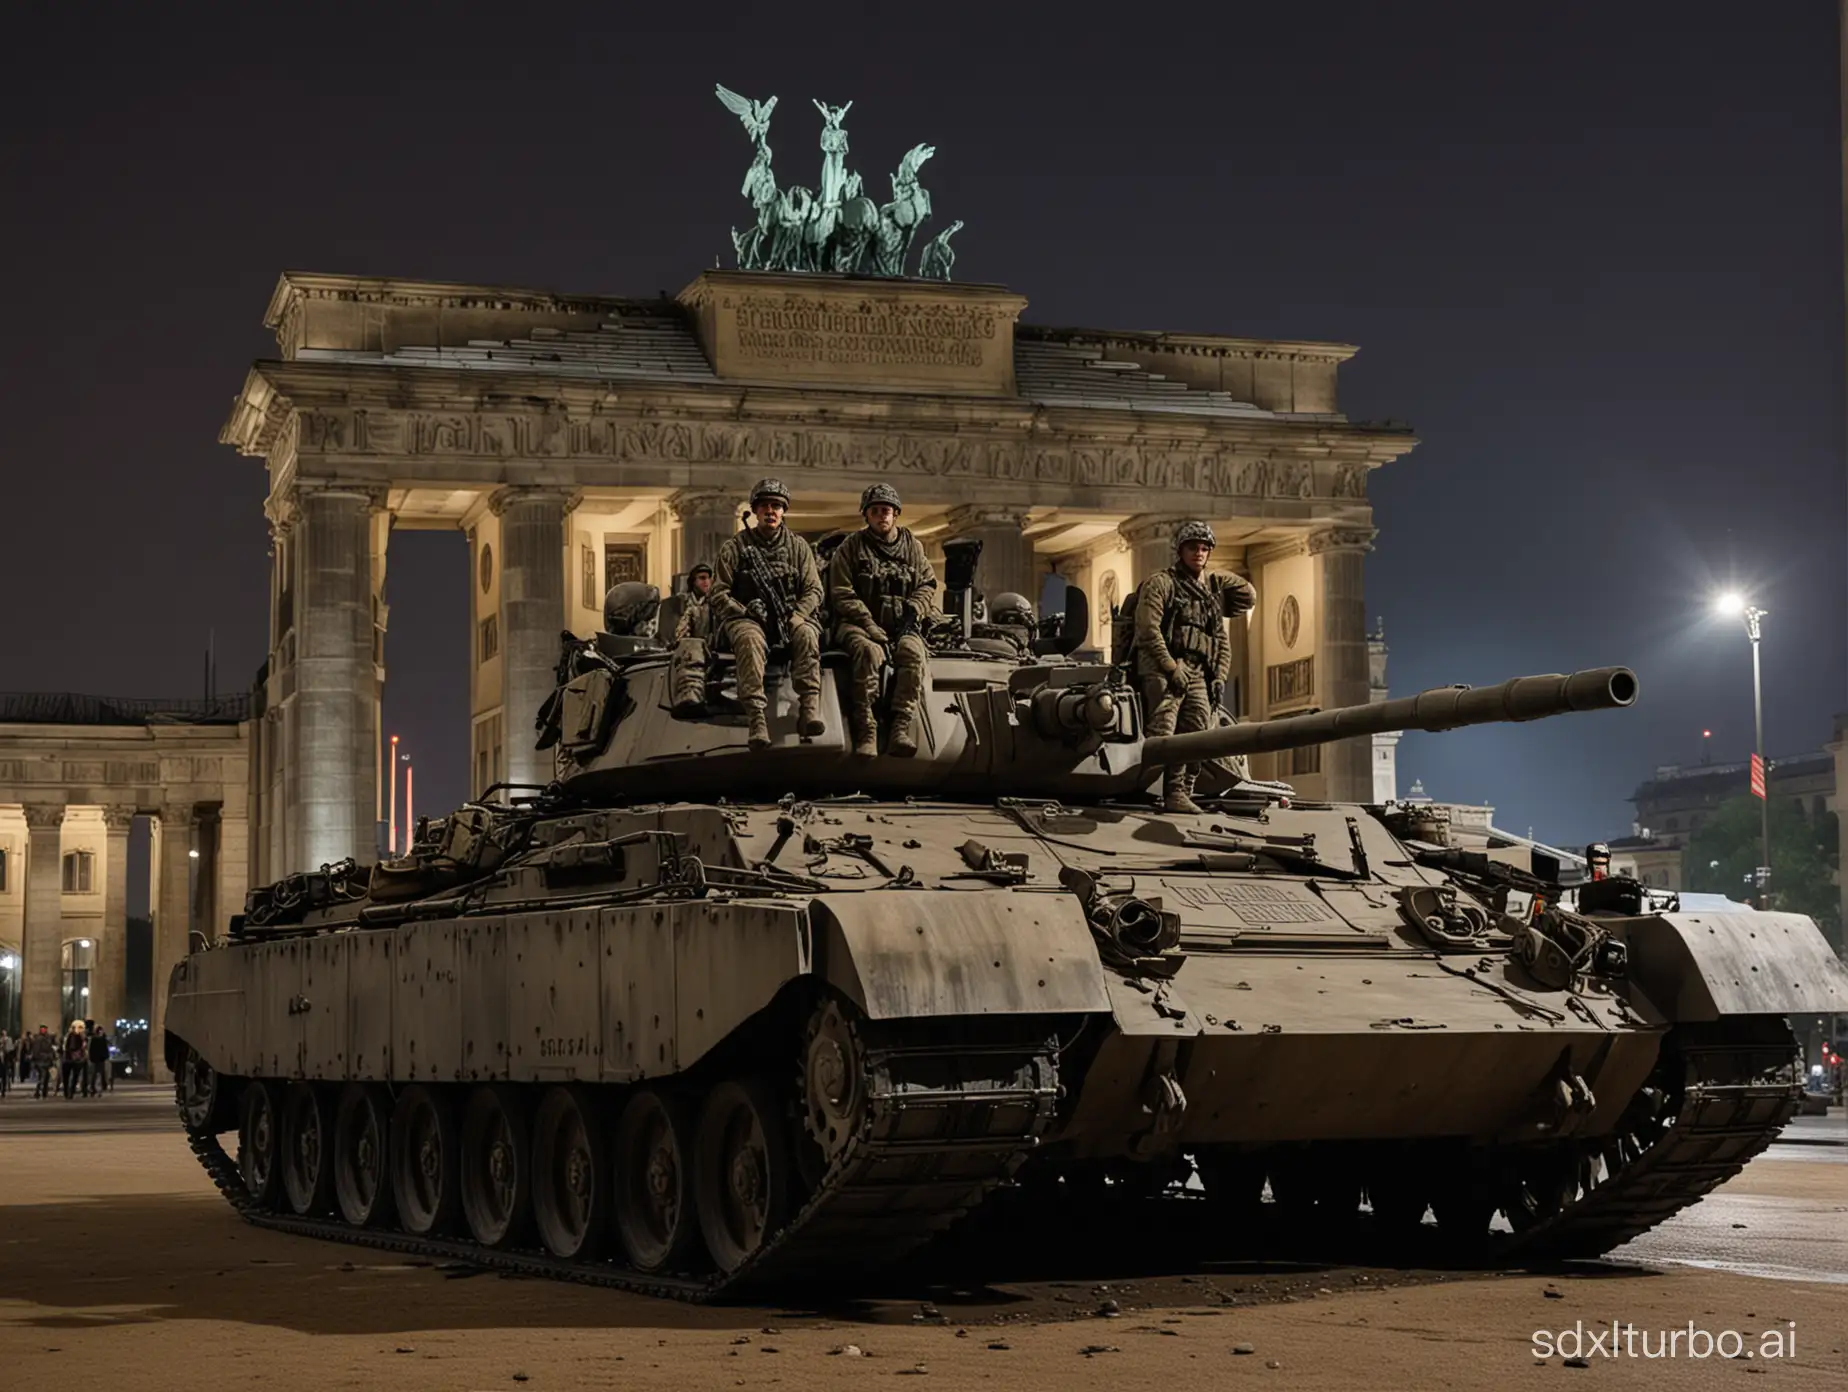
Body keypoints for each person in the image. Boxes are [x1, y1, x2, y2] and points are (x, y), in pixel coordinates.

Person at [1132, 520, 1256, 813]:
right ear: (1180, 550)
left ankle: (1180, 791)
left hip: (1200, 670)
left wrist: (1219, 676)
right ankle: (1141, 788)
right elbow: (1148, 628)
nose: (1198, 553)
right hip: (1165, 666)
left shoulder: (1211, 592)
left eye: (1204, 548)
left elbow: (1222, 637)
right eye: (1192, 548)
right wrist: (1169, 665)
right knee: (1163, 731)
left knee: (1198, 731)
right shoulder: (1161, 583)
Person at [710, 478, 826, 750]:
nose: (770, 511)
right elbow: (718, 593)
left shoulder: (798, 547)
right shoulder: (735, 547)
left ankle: (809, 708)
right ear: (756, 510)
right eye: (765, 506)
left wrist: (798, 615)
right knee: (749, 642)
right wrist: (745, 610)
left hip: (790, 617)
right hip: (748, 620)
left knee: (808, 635)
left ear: (783, 511)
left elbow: (814, 590)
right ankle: (756, 719)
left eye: (776, 506)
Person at [827, 484, 938, 757]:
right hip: (857, 625)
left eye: (886, 511)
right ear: (866, 515)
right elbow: (841, 592)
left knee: (913, 653)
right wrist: (868, 624)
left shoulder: (913, 547)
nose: (881, 516)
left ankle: (901, 726)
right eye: (875, 511)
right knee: (869, 653)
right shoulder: (851, 547)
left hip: (902, 625)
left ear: (896, 513)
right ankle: (866, 727)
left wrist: (914, 610)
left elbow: (927, 583)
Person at [670, 562, 717, 717]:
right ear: (693, 582)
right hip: (689, 652)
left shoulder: (715, 603)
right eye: (702, 578)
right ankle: (690, 695)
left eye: (709, 578)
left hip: (710, 651)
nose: (706, 582)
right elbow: (678, 634)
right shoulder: (681, 603)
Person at [30, 1025, 56, 1099]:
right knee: (43, 1076)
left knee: (45, 1077)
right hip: (41, 1061)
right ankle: (39, 1091)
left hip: (46, 1061)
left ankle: (43, 1092)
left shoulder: (46, 1039)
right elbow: (36, 1052)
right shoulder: (39, 1039)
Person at [62, 1021, 86, 1100]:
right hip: (71, 1059)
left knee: (71, 1077)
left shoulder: (76, 1037)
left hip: (71, 1059)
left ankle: (69, 1092)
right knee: (70, 1077)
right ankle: (69, 1092)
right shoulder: (71, 1037)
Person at [86, 1021, 108, 1097]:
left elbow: (91, 1050)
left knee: (96, 1074)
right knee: (98, 1074)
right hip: (98, 1059)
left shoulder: (96, 1039)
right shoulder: (101, 1039)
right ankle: (96, 1088)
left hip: (97, 1059)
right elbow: (104, 1050)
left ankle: (95, 1089)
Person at [0, 1028, 12, 1098]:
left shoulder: (9, 1040)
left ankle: (3, 1090)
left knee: (5, 1076)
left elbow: (10, 1050)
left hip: (6, 1061)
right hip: (1, 1061)